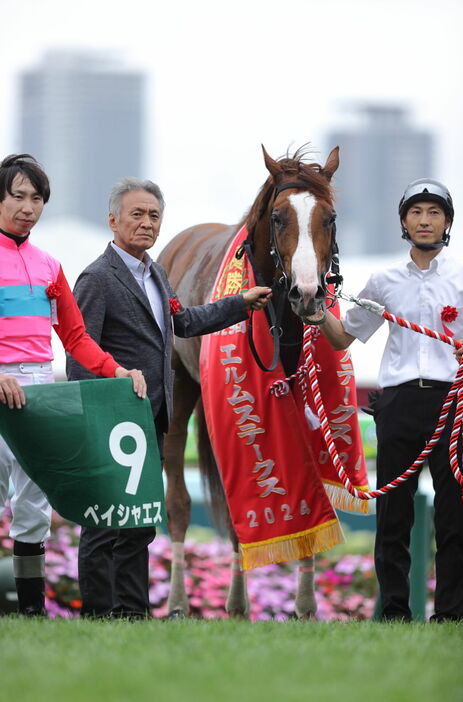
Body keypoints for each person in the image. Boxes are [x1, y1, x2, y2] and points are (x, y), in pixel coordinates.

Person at [66, 176, 272, 619]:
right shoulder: (97, 277)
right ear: (113, 220)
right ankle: (99, 617)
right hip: (111, 419)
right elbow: (80, 350)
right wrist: (98, 412)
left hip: (150, 419)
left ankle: (132, 614)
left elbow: (186, 322)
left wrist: (241, 303)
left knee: (139, 522)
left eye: (154, 216)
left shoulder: (156, 274)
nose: (146, 223)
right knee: (104, 522)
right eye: (136, 214)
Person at [0, 154, 147, 616]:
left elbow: (76, 337)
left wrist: (118, 371)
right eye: (18, 196)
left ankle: (31, 616)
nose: (28, 207)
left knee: (33, 506)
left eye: (37, 198)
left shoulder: (49, 265)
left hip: (40, 394)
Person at [319, 178, 463, 621]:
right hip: (399, 405)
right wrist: (312, 310)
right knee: (393, 516)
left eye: (434, 212)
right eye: (416, 212)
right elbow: (343, 337)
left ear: (447, 222)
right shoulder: (382, 282)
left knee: (454, 520)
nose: (425, 220)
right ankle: (394, 614)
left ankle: (449, 616)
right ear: (404, 221)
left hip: (454, 405)